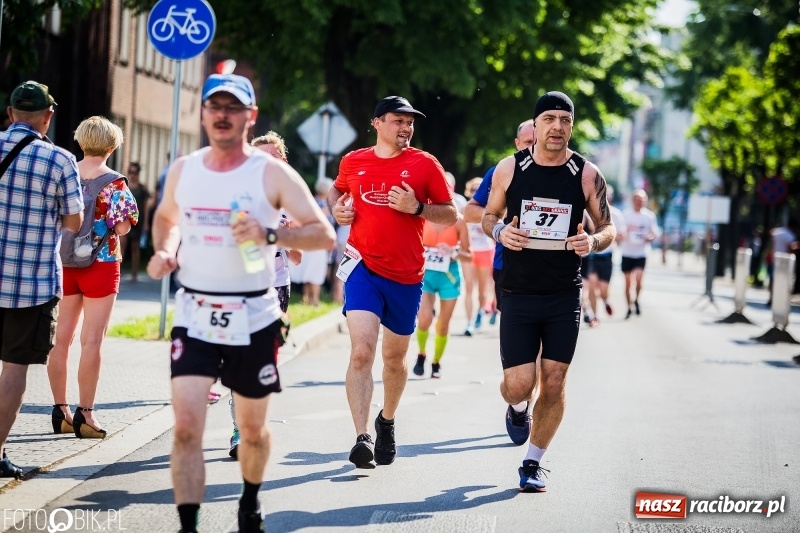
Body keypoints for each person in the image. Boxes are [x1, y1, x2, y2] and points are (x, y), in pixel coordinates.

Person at [146, 73, 335, 533]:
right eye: (216, 106)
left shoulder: (271, 173)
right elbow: (166, 218)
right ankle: (188, 525)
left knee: (251, 430)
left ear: (250, 116)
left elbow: (323, 235)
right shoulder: (185, 169)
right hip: (195, 313)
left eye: (233, 108)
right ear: (203, 113)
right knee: (186, 427)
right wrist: (166, 250)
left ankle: (249, 500)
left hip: (253, 315)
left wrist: (271, 234)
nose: (223, 115)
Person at [481, 91, 616, 492]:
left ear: (571, 126)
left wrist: (593, 241)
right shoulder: (510, 168)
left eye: (565, 120)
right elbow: (488, 215)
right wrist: (500, 231)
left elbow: (608, 227)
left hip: (563, 293)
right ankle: (517, 406)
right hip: (519, 291)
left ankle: (532, 462)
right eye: (550, 119)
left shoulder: (586, 174)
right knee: (519, 384)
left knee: (554, 382)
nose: (557, 126)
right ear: (536, 125)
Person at [328, 95, 457, 469]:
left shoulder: (424, 164)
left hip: (405, 275)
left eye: (410, 122)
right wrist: (337, 207)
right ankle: (362, 436)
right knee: (362, 352)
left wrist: (417, 208)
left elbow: (451, 214)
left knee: (395, 360)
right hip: (362, 267)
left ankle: (386, 420)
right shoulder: (354, 161)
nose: (406, 128)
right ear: (377, 123)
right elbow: (337, 189)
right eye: (398, 121)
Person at [0, 81, 83, 477]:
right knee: (14, 369)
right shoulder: (60, 160)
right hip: (30, 285)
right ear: (48, 116)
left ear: (11, 113)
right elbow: (74, 221)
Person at [47, 116, 138, 440]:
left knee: (61, 339)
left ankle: (60, 410)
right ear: (112, 146)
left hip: (64, 263)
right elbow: (123, 227)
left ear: (81, 142)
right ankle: (85, 414)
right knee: (92, 340)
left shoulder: (64, 174)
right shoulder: (115, 184)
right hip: (101, 264)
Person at [228, 131, 303, 460]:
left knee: (262, 361)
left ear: (282, 161)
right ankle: (240, 430)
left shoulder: (290, 201)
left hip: (276, 287)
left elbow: (297, 258)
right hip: (241, 286)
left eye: (272, 158)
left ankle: (252, 424)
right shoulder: (238, 197)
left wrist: (286, 236)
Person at [464, 119, 535, 315]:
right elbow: (469, 212)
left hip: (551, 266)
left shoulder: (564, 173)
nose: (533, 147)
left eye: (537, 142)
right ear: (517, 143)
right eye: (528, 142)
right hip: (507, 264)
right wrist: (496, 215)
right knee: (515, 328)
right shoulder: (501, 171)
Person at [413, 215, 471, 378]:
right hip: (426, 275)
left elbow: (469, 255)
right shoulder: (422, 217)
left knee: (443, 325)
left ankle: (436, 362)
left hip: (449, 277)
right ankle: (421, 353)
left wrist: (453, 252)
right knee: (424, 319)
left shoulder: (459, 222)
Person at [461, 177, 497, 336]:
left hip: (485, 250)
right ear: (469, 192)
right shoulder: (465, 208)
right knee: (468, 287)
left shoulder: (491, 209)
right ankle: (469, 323)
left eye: (478, 190)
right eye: (473, 190)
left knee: (482, 290)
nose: (475, 192)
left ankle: (480, 312)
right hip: (469, 251)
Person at [586, 185, 625, 323]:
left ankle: (605, 300)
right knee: (592, 285)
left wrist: (610, 236)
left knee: (602, 289)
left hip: (606, 256)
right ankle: (594, 315)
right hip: (591, 256)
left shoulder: (616, 214)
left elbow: (622, 235)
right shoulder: (588, 212)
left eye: (607, 196)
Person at [619, 189, 659, 318]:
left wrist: (650, 237)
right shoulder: (625, 215)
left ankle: (636, 299)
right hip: (627, 252)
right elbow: (620, 231)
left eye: (641, 200)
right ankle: (629, 307)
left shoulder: (649, 216)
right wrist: (622, 235)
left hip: (641, 252)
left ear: (645, 201)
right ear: (633, 201)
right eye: (637, 200)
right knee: (628, 283)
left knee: (639, 281)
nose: (639, 202)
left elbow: (654, 232)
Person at [119, 161, 150, 281]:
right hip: (125, 219)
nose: (132, 175)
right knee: (122, 245)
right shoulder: (124, 187)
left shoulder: (142, 189)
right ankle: (118, 271)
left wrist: (146, 223)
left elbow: (146, 207)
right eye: (130, 172)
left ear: (138, 173)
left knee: (135, 248)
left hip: (138, 222)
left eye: (135, 172)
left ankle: (134, 274)